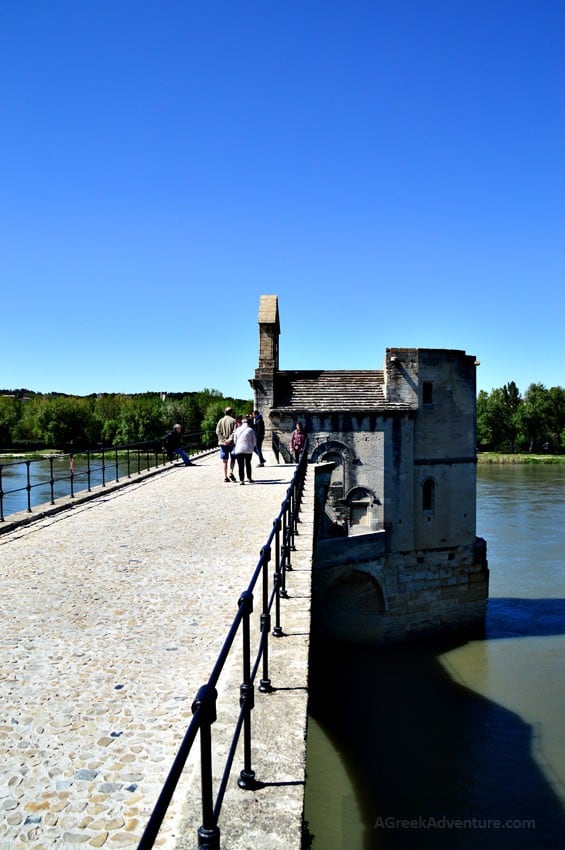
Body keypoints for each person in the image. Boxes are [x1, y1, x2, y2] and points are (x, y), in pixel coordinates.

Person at [233, 416, 257, 485]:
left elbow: (235, 441)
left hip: (239, 449)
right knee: (248, 464)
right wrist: (252, 447)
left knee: (240, 465)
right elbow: (254, 441)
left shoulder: (237, 430)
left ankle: (241, 480)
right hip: (248, 449)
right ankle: (249, 478)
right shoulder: (251, 430)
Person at [215, 407, 237, 482]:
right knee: (233, 459)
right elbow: (235, 432)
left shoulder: (220, 420)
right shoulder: (233, 421)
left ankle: (225, 476)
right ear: (231, 412)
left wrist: (223, 440)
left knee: (225, 460)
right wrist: (229, 440)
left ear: (225, 412)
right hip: (231, 443)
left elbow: (218, 431)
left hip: (223, 443)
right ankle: (231, 472)